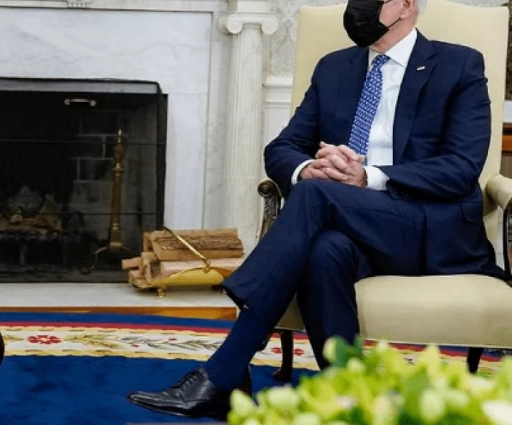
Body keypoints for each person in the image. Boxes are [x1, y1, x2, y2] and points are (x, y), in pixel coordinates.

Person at [127, 0, 506, 418]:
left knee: (315, 196)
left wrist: (368, 176)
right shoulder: (335, 68)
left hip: (424, 226)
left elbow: (461, 168)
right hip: (348, 222)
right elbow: (283, 148)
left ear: (406, 5)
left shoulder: (458, 65)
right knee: (324, 249)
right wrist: (309, 167)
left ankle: (227, 364)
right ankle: (348, 392)